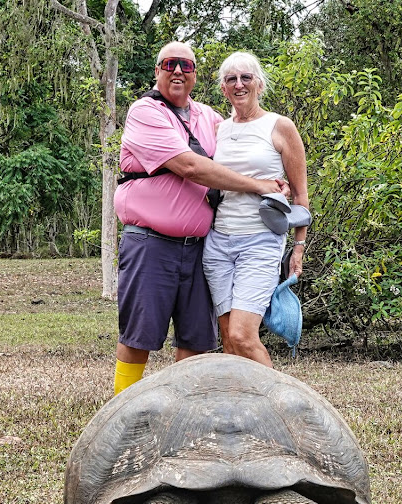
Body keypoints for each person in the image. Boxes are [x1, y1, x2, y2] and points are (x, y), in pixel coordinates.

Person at [113, 42, 288, 394]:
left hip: (199, 248)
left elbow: (241, 146)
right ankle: (120, 406)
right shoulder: (145, 112)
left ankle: (186, 412)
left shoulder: (209, 118)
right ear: (157, 71)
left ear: (195, 75)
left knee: (195, 340)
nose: (178, 71)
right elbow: (190, 166)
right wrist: (260, 185)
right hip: (150, 243)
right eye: (169, 64)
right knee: (138, 336)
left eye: (186, 65)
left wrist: (277, 175)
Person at [202, 52, 309, 368]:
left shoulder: (279, 126)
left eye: (246, 77)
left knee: (243, 335)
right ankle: (237, 400)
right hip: (218, 243)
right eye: (231, 79)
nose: (239, 84)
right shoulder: (218, 130)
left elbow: (300, 196)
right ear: (223, 89)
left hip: (260, 241)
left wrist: (298, 249)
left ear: (259, 84)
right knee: (228, 337)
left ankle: (276, 398)